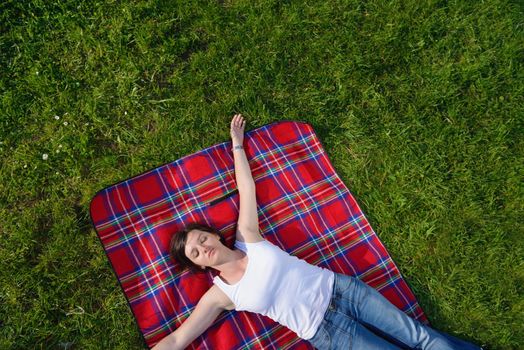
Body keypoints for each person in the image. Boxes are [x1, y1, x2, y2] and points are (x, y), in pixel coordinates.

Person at [152, 114, 482, 350]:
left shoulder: (247, 235)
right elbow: (180, 339)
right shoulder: (221, 295)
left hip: (344, 291)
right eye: (194, 252)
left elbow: (246, 187)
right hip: (329, 333)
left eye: (201, 238)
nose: (202, 247)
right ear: (198, 266)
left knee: (419, 337)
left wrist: (237, 145)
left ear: (213, 234)